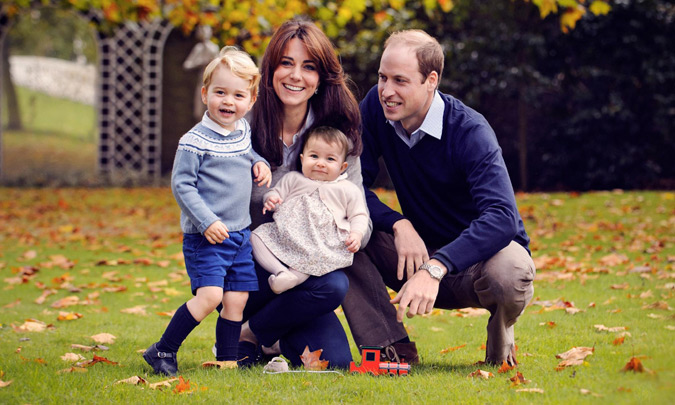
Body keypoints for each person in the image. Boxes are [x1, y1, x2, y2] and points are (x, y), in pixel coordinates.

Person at [341, 30, 535, 367]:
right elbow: (349, 185)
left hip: (477, 264)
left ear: (431, 80)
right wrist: (398, 223)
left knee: (512, 271)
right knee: (341, 228)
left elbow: (502, 216)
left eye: (400, 81)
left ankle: (500, 347)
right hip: (413, 254)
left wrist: (436, 266)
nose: (387, 91)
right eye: (382, 77)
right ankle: (391, 348)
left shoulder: (470, 131)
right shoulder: (375, 107)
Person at [219, 18, 370, 370]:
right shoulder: (242, 122)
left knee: (335, 359)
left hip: (308, 276)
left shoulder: (337, 137)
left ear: (321, 78)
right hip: (248, 266)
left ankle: (253, 335)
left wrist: (344, 236)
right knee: (311, 286)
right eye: (286, 63)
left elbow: (358, 211)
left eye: (308, 67)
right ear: (270, 69)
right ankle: (252, 323)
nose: (296, 76)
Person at [143, 46, 271, 376]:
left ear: (251, 100)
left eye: (238, 95)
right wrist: (206, 221)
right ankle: (162, 350)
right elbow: (182, 185)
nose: (228, 102)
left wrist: (259, 163)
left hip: (240, 234)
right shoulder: (194, 141)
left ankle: (227, 359)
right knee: (211, 295)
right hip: (207, 237)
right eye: (220, 93)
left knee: (237, 300)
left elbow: (248, 153)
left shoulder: (242, 131)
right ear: (205, 94)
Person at [251, 126, 369, 294]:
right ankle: (281, 272)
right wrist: (271, 199)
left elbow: (359, 215)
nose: (320, 163)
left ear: (342, 167)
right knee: (255, 237)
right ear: (302, 158)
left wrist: (356, 234)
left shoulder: (347, 189)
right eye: (314, 156)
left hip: (320, 242)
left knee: (313, 257)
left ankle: (292, 277)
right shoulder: (293, 179)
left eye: (330, 159)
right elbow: (276, 193)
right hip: (286, 234)